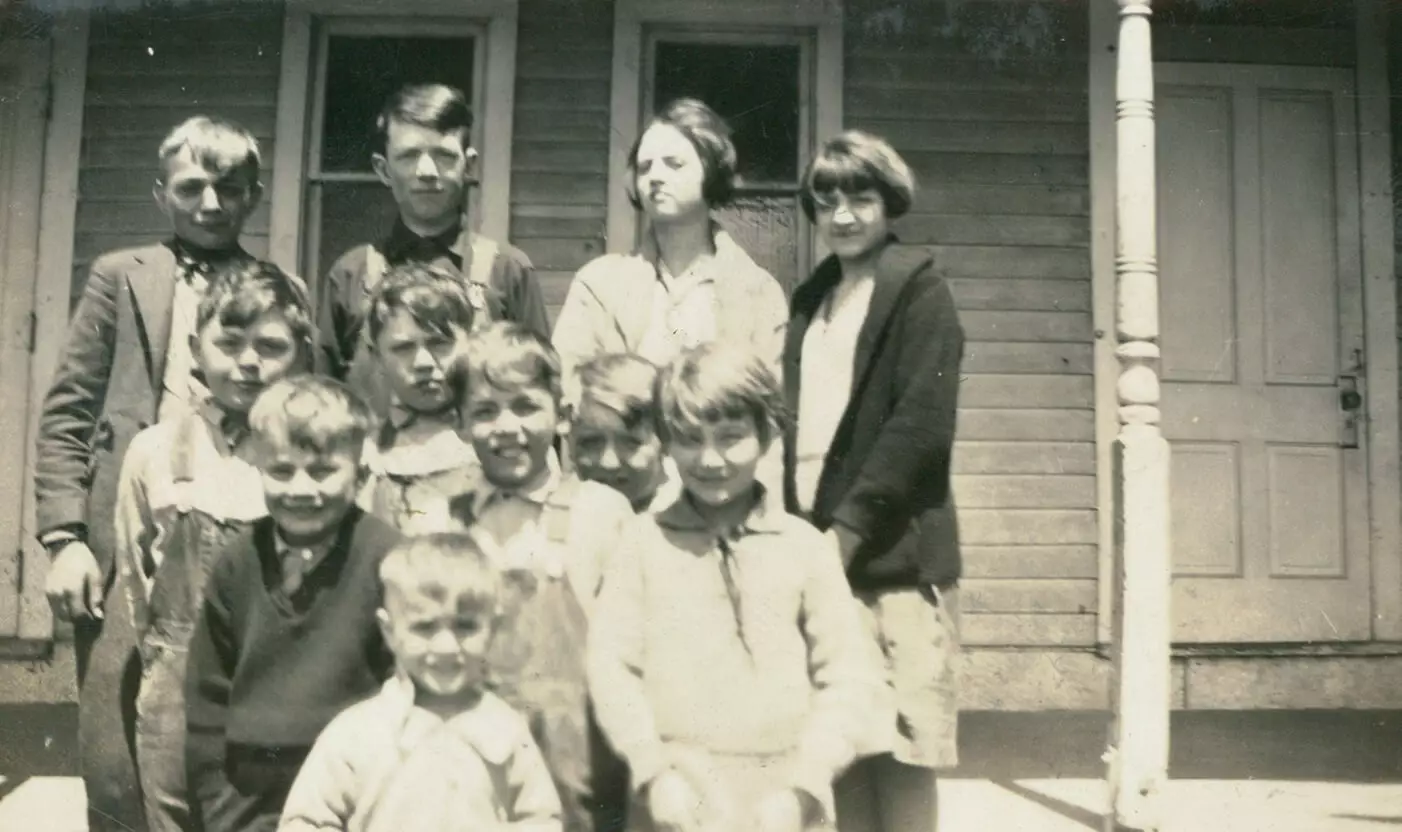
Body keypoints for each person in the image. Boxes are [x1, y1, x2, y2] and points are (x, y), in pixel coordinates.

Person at [33, 115, 303, 831]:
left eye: (230, 188)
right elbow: (67, 413)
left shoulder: (275, 288)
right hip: (131, 532)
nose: (210, 204)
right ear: (162, 193)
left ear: (253, 197)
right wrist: (66, 540)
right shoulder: (119, 276)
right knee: (118, 743)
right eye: (192, 186)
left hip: (238, 515)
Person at [587, 343, 887, 832]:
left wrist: (804, 786)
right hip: (674, 799)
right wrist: (653, 772)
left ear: (767, 434)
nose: (710, 459)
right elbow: (612, 668)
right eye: (688, 438)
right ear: (664, 440)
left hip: (784, 799)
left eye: (730, 437)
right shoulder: (640, 543)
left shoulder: (805, 548)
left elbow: (849, 678)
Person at [782, 131, 966, 832]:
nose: (844, 214)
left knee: (903, 746)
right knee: (843, 745)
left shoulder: (920, 292)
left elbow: (919, 428)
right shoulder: (814, 298)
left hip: (892, 558)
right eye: (826, 201)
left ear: (890, 202)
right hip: (820, 549)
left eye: (860, 197)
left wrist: (846, 535)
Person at [113, 264, 313, 832]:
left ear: (300, 354)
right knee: (174, 816)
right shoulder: (154, 452)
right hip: (176, 684)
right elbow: (136, 576)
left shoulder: (315, 460)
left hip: (282, 683)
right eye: (229, 344)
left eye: (271, 346)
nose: (248, 361)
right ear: (197, 349)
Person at [185, 377, 402, 832]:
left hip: (352, 785)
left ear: (361, 476)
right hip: (250, 790)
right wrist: (219, 804)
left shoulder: (387, 558)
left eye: (322, 471)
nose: (301, 489)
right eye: (281, 471)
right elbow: (209, 696)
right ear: (258, 469)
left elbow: (403, 685)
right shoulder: (238, 560)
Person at [447, 323, 635, 832]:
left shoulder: (603, 514)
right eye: (485, 411)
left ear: (560, 413)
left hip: (580, 780)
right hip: (470, 776)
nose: (507, 427)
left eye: (525, 406)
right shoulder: (441, 522)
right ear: (459, 422)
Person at [278, 532, 564, 831]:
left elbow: (540, 818)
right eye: (424, 628)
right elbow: (306, 820)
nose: (446, 647)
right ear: (389, 631)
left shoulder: (505, 728)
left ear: (491, 627)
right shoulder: (357, 733)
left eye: (465, 627)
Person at [318, 82, 550, 417]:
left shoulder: (508, 269)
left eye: (443, 156)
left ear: (468, 166)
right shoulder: (350, 274)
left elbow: (538, 393)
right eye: (409, 156)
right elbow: (323, 403)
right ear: (383, 169)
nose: (427, 172)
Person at [551, 98, 788, 388]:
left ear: (711, 171)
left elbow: (770, 403)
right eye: (645, 167)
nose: (656, 178)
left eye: (674, 164)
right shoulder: (597, 284)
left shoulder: (759, 292)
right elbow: (568, 386)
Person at [356, 262, 482, 533]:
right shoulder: (367, 451)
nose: (424, 362)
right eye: (403, 348)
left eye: (439, 343)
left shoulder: (490, 442)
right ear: (378, 357)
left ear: (472, 344)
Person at [569, 353, 676, 514]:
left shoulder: (685, 518)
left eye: (631, 443)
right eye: (590, 442)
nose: (608, 463)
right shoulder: (564, 513)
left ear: (666, 442)